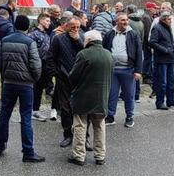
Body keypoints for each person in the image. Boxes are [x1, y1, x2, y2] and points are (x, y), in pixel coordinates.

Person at [0, 15, 44, 162]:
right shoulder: (29, 42)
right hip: (26, 84)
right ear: (27, 27)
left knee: (4, 114)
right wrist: (34, 78)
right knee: (26, 117)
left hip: (8, 82)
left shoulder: (5, 40)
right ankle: (28, 151)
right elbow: (35, 64)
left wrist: (5, 73)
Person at [67, 30, 113, 166]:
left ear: (88, 41)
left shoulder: (83, 54)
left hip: (83, 96)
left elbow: (73, 76)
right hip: (101, 97)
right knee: (99, 126)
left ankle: (79, 156)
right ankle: (100, 156)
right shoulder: (108, 54)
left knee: (80, 125)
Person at [102, 12, 142, 128]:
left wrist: (138, 71)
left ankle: (129, 117)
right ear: (116, 22)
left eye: (126, 20)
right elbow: (104, 50)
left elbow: (139, 53)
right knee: (112, 94)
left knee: (129, 95)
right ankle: (110, 116)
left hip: (128, 70)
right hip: (112, 70)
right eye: (122, 20)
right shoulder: (109, 34)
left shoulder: (133, 34)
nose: (125, 22)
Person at [50, 17, 84, 148]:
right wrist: (56, 73)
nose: (75, 30)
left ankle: (83, 136)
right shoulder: (58, 39)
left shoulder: (82, 37)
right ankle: (67, 134)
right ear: (66, 27)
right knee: (65, 108)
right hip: (63, 78)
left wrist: (78, 40)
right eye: (72, 27)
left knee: (81, 108)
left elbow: (86, 52)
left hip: (80, 78)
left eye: (77, 27)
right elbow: (51, 57)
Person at [149, 10, 174, 110]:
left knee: (171, 82)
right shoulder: (157, 28)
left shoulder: (168, 28)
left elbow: (171, 41)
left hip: (170, 59)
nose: (170, 21)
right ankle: (160, 102)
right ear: (163, 20)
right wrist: (165, 50)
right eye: (169, 19)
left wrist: (173, 50)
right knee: (162, 82)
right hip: (161, 59)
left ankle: (170, 101)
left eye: (170, 19)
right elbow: (152, 42)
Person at [28, 14, 56, 122]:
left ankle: (35, 109)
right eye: (47, 21)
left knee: (39, 88)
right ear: (41, 21)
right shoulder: (33, 34)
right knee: (35, 88)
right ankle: (32, 110)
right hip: (37, 65)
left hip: (45, 65)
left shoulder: (46, 35)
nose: (49, 23)